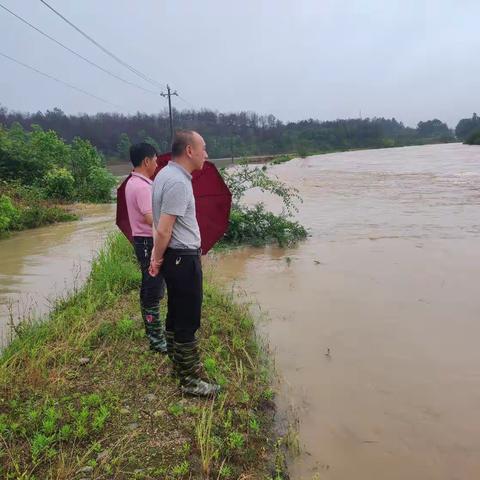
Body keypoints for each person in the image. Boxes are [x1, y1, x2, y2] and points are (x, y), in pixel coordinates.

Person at [149, 130, 220, 396]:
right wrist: (156, 259)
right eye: (203, 148)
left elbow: (159, 225)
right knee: (187, 318)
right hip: (182, 258)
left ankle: (179, 368)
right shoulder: (178, 182)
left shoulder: (163, 175)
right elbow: (165, 229)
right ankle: (190, 381)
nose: (206, 154)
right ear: (189, 150)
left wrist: (158, 258)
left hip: (175, 257)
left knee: (176, 315)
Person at [125, 142, 167, 353]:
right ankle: (156, 340)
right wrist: (171, 220)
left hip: (143, 241)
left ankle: (154, 333)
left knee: (150, 287)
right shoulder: (141, 187)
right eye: (156, 160)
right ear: (146, 161)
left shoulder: (135, 183)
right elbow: (152, 218)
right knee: (152, 290)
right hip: (147, 242)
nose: (158, 164)